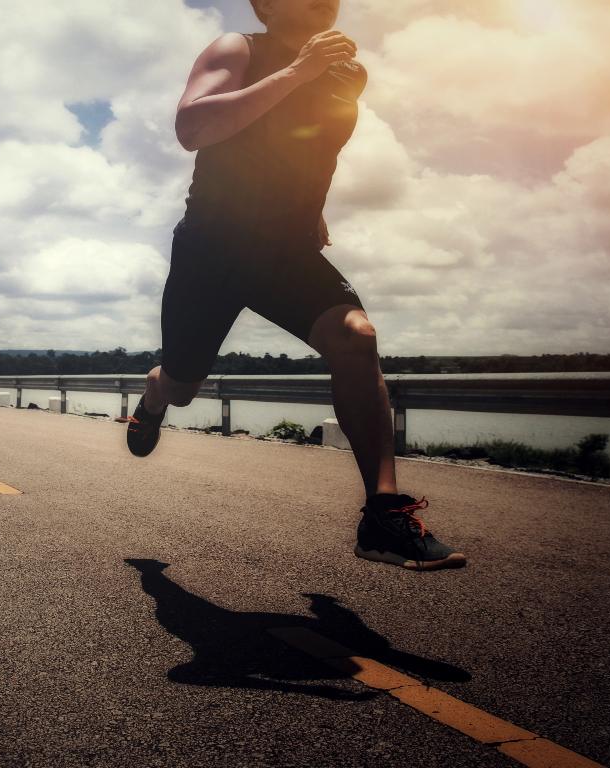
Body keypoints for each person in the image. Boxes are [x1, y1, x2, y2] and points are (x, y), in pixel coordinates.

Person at [126, 0, 466, 571]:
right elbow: (193, 128)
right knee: (183, 387)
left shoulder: (348, 73)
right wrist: (298, 71)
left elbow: (309, 149)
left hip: (284, 250)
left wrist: (312, 209)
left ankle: (383, 518)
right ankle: (156, 393)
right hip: (212, 247)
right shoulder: (238, 49)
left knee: (356, 337)